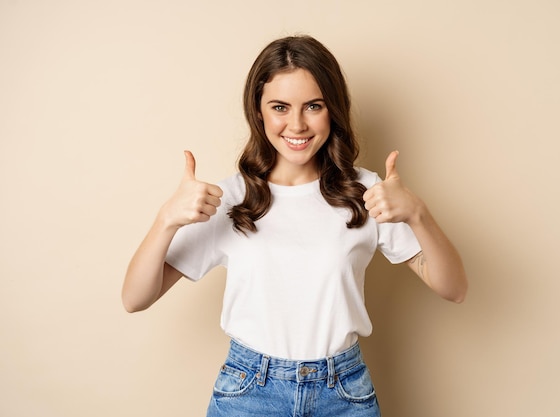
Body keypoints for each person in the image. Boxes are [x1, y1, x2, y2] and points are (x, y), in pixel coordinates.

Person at [122, 35, 467, 417]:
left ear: (333, 110)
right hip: (250, 392)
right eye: (280, 107)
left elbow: (454, 289)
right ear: (259, 112)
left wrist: (417, 213)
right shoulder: (231, 198)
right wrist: (166, 219)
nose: (297, 124)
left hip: (344, 392)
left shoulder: (368, 193)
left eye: (313, 106)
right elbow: (135, 299)